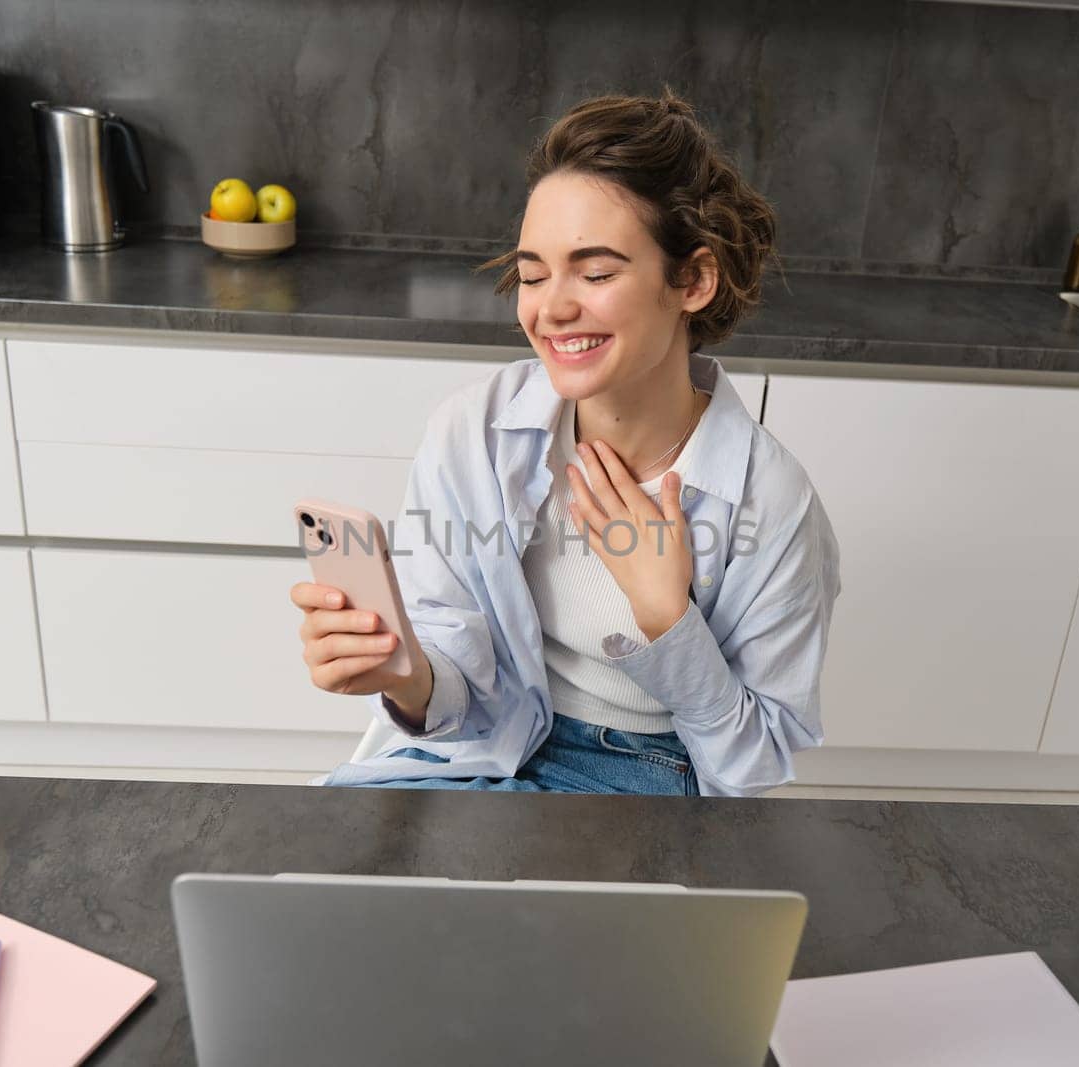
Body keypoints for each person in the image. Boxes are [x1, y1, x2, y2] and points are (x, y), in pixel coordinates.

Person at [290, 88, 840, 796]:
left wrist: (669, 619)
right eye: (532, 273)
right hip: (486, 745)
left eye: (597, 271)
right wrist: (407, 676)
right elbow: (455, 664)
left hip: (642, 768)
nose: (551, 307)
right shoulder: (475, 430)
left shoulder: (773, 501)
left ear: (694, 279)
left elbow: (753, 767)